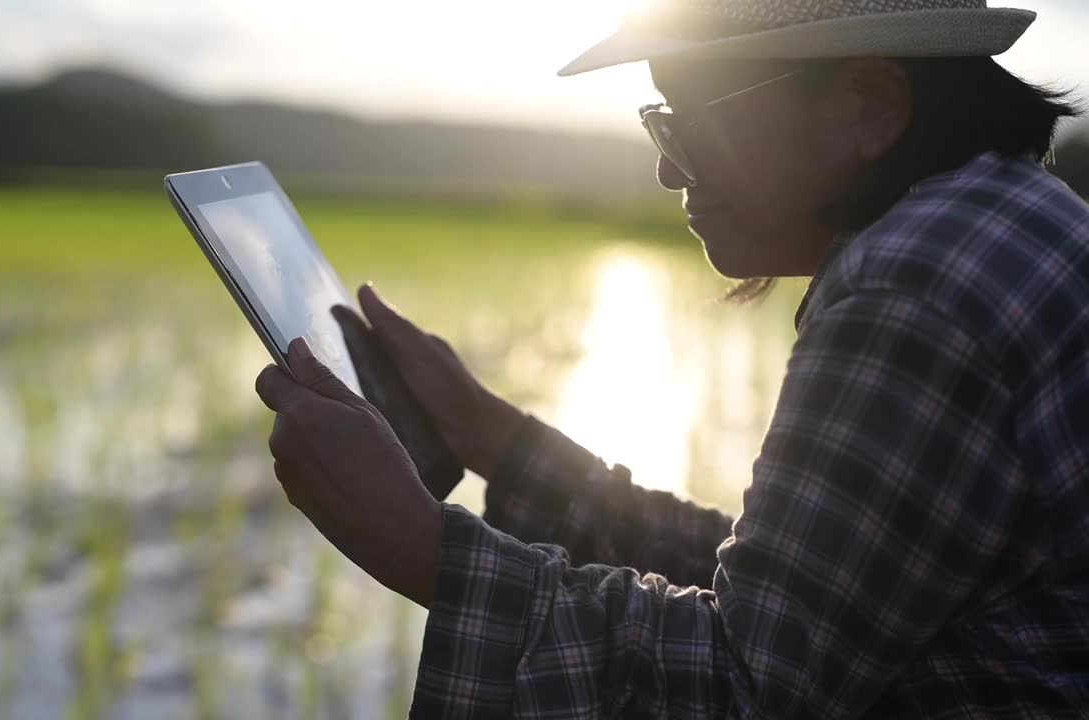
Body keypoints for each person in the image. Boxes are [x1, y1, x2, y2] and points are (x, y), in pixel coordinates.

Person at [254, 0, 1089, 716]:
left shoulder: (914, 286)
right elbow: (797, 598)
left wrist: (422, 548)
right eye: (660, 122)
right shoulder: (997, 221)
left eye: (690, 119)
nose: (665, 165)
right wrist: (496, 440)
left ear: (868, 104)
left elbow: (749, 686)